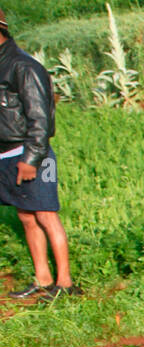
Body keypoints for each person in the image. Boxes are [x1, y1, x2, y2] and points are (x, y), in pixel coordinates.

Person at [0, 7, 78, 301]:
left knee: (46, 215)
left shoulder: (23, 67)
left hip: (30, 154)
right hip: (7, 155)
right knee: (26, 217)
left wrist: (31, 160)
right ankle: (43, 280)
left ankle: (66, 283)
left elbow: (40, 121)